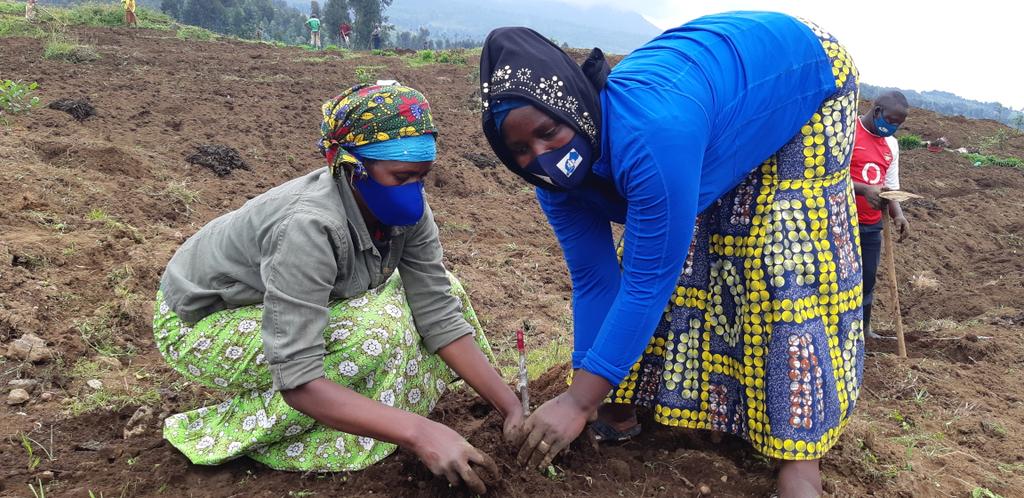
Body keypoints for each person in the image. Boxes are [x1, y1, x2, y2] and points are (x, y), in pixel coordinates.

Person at [480, 12, 864, 497]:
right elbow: (595, 279)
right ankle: (619, 405)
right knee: (684, 254)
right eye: (519, 149)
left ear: (576, 109)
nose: (541, 155)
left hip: (803, 71)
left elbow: (645, 283)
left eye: (549, 132)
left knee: (778, 258)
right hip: (710, 95)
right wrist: (589, 392)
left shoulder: (650, 138)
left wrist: (577, 403)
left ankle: (799, 456)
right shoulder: (549, 181)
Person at [154, 83, 523, 495]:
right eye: (401, 176)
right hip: (201, 322)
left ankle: (379, 414)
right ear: (352, 167)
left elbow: (437, 311)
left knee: (447, 290)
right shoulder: (308, 226)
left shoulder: (408, 211)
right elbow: (297, 374)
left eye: (422, 177)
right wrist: (420, 434)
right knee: (371, 333)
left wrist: (510, 408)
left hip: (278, 303)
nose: (414, 191)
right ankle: (232, 429)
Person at [850, 91, 911, 339]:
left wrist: (899, 214)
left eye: (898, 124)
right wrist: (864, 190)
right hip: (841, 221)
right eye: (890, 120)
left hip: (872, 224)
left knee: (867, 280)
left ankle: (864, 331)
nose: (893, 127)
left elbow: (890, 185)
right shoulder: (848, 131)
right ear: (876, 111)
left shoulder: (892, 144)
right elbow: (830, 178)